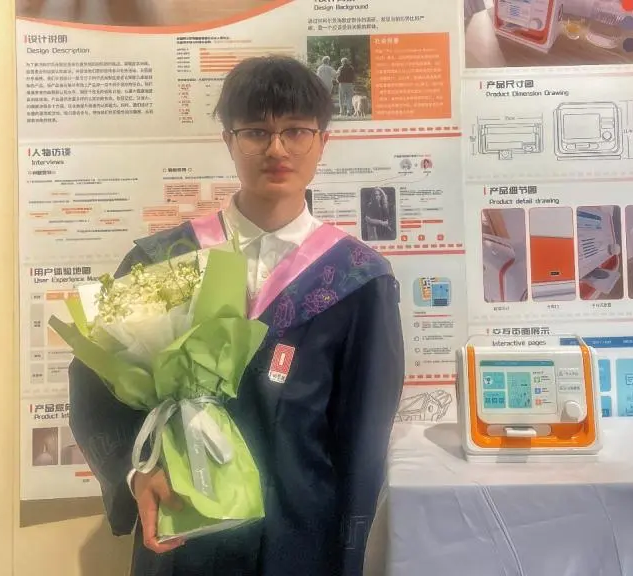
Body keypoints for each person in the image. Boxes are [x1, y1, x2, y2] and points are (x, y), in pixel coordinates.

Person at [67, 55, 405, 576]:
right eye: (256, 132)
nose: (276, 149)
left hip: (299, 538)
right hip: (185, 531)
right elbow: (96, 386)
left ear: (323, 141)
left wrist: (348, 550)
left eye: (296, 131)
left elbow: (363, 438)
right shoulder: (166, 259)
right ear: (229, 140)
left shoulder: (357, 280)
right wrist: (135, 473)